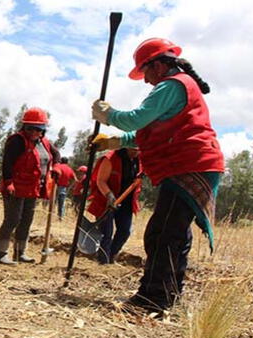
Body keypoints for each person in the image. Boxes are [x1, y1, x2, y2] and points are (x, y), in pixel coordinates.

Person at [90, 38, 224, 313]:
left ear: (159, 65)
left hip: (188, 163)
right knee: (173, 232)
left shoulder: (172, 85)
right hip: (193, 163)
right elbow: (149, 131)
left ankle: (153, 298)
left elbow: (137, 118)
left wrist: (109, 114)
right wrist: (115, 141)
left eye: (145, 72)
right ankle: (169, 294)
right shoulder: (179, 85)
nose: (145, 80)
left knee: (162, 233)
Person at [0, 107, 60, 265]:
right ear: (24, 127)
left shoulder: (44, 143)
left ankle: (20, 252)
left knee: (26, 221)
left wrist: (56, 166)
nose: (35, 132)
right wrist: (8, 182)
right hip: (15, 187)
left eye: (39, 129)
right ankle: (0, 253)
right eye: (31, 128)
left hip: (33, 188)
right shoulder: (16, 140)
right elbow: (7, 163)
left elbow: (56, 154)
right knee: (12, 219)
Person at [87, 148, 141, 264]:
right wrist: (109, 196)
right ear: (126, 146)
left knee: (125, 231)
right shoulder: (111, 158)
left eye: (138, 149)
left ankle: (111, 255)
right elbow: (101, 181)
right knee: (106, 233)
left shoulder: (139, 160)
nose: (136, 152)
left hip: (126, 202)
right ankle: (103, 262)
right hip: (106, 200)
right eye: (133, 149)